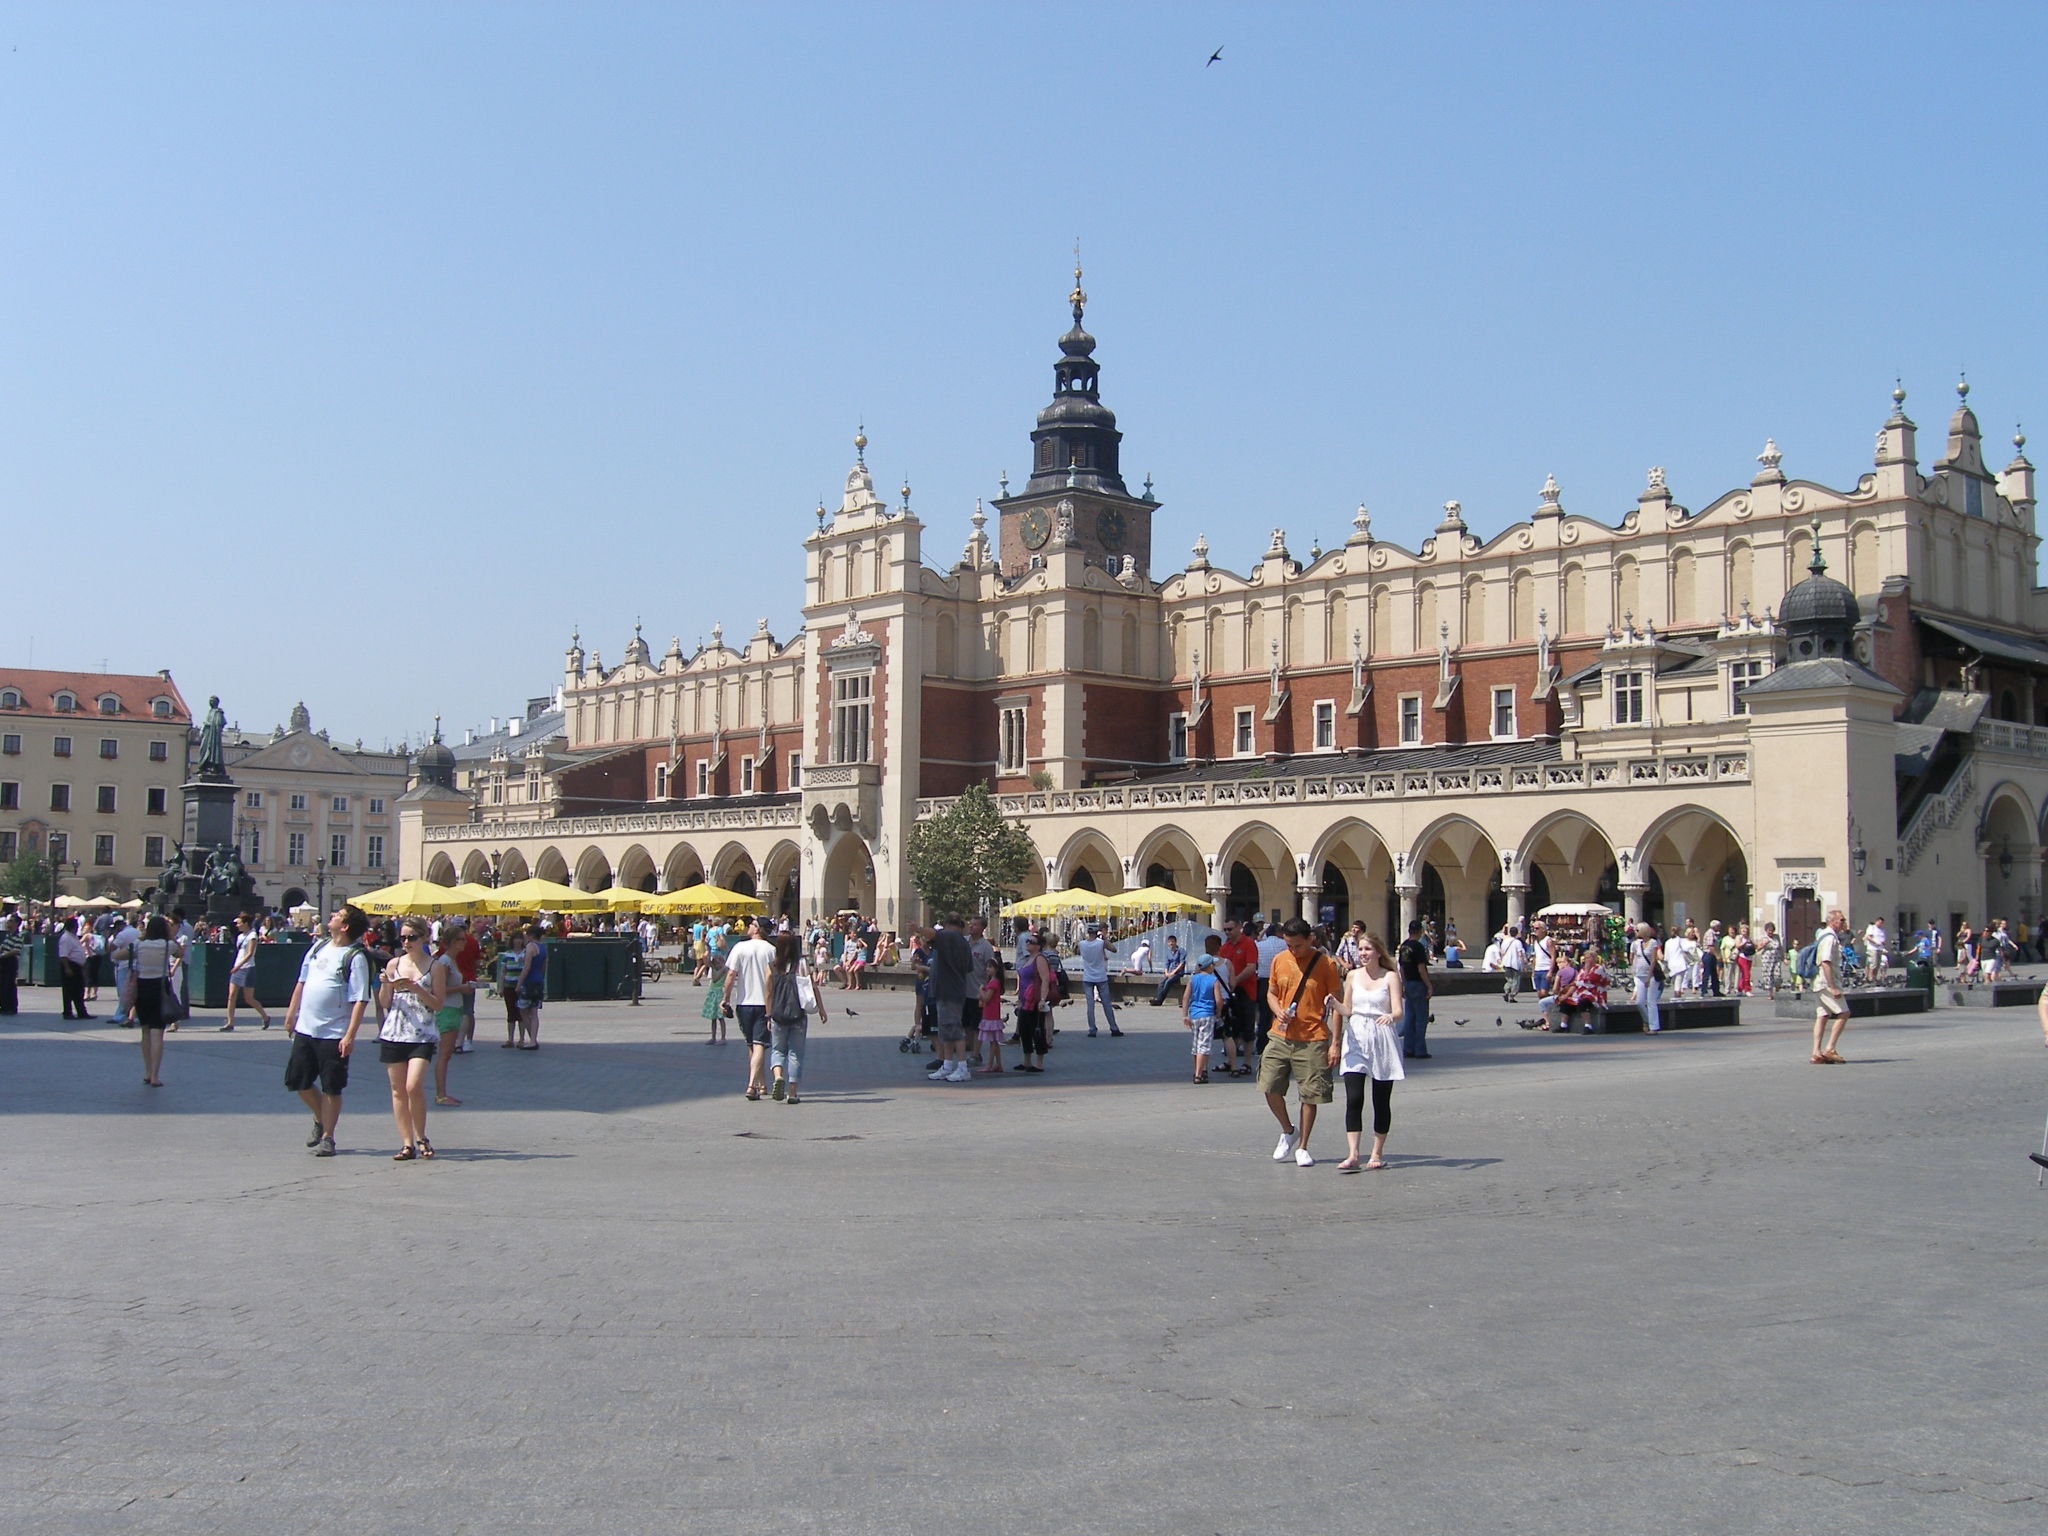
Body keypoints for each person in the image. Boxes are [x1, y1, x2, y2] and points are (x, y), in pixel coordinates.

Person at [283, 904, 376, 1158]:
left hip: (334, 1031)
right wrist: (292, 1013)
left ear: (345, 927)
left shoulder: (355, 957)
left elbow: (360, 998)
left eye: (338, 916)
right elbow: (302, 981)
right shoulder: (319, 946)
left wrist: (350, 1035)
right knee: (298, 1081)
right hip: (306, 1027)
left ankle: (328, 1137)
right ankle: (319, 1118)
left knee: (331, 1086)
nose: (332, 916)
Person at [1258, 919, 1341, 1168]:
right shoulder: (1280, 960)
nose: (1292, 950)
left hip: (1313, 1037)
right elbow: (1271, 993)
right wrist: (1278, 1009)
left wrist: (1335, 1043)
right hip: (1280, 1034)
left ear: (1310, 940)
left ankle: (1303, 1146)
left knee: (1310, 1094)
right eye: (1288, 945)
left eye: (1297, 945)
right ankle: (1288, 1129)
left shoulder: (1326, 965)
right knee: (1269, 1085)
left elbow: (1337, 1004)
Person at [378, 922, 448, 1160]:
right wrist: (386, 984)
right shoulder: (393, 964)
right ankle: (407, 1143)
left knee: (413, 1086)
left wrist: (417, 989)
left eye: (413, 937)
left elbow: (439, 1004)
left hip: (422, 1033)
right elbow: (385, 1003)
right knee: (398, 1090)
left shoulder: (435, 967)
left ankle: (421, 1136)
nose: (407, 942)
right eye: (403, 938)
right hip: (395, 1031)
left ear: (425, 938)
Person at [1335, 930, 1404, 1171]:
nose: (1363, 954)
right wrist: (1333, 1003)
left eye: (1367, 949)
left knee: (1380, 1099)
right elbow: (1347, 1009)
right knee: (1354, 1098)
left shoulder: (1390, 977)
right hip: (1356, 1036)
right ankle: (1353, 1154)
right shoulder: (1352, 976)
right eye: (1360, 949)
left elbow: (1398, 1011)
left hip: (1382, 1037)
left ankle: (1376, 1152)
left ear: (1377, 952)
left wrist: (1390, 1017)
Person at [766, 931, 825, 1103]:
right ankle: (792, 1093)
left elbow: (768, 993)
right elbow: (812, 987)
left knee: (777, 1050)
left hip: (777, 1015)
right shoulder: (801, 964)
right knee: (795, 1053)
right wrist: (821, 1009)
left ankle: (778, 1077)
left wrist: (768, 1015)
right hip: (798, 1014)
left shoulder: (772, 966)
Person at [724, 916, 778, 1099]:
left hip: (744, 1003)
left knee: (754, 1045)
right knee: (758, 1045)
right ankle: (757, 1084)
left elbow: (731, 974)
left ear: (757, 929)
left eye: (751, 925)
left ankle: (753, 1085)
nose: (748, 927)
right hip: (765, 1003)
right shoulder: (772, 950)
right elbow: (776, 978)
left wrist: (725, 999)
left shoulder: (740, 948)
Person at [127, 913, 181, 1087]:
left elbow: (120, 954)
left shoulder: (138, 944)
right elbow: (181, 951)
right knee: (157, 1032)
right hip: (160, 987)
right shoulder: (167, 945)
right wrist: (171, 935)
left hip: (142, 987)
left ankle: (147, 1071)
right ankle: (156, 1075)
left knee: (145, 1031)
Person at [925, 914, 977, 1084]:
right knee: (946, 1030)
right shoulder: (963, 942)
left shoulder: (951, 936)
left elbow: (933, 935)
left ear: (947, 925)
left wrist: (917, 929)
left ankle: (962, 1067)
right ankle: (947, 1065)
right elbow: (968, 968)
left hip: (949, 992)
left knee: (953, 1029)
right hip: (950, 991)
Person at [430, 923, 474, 1106]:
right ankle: (441, 1094)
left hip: (454, 1008)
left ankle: (442, 1092)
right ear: (453, 942)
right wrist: (461, 988)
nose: (465, 943)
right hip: (446, 1009)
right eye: (462, 939)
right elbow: (439, 988)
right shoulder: (445, 962)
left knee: (446, 1054)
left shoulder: (451, 960)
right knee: (444, 1054)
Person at [1812, 907, 1853, 1064]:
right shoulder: (1829, 938)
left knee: (1822, 1015)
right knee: (1844, 1013)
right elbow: (1826, 963)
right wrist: (1833, 987)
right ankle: (1830, 1048)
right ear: (1832, 921)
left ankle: (1816, 1052)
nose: (1844, 922)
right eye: (1842, 920)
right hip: (1826, 982)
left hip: (1818, 982)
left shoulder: (1823, 935)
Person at [1219, 918, 1260, 1072]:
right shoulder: (1225, 947)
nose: (1227, 932)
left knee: (1247, 1028)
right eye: (1225, 930)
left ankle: (1247, 1063)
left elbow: (1251, 967)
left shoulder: (1248, 944)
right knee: (1231, 1028)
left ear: (1239, 928)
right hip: (1230, 992)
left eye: (1230, 929)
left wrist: (1235, 979)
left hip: (1246, 991)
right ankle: (1231, 1062)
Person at [220, 912, 270, 1031]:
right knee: (231, 996)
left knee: (249, 998)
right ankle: (230, 1022)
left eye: (239, 923)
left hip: (247, 968)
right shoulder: (240, 936)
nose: (237, 926)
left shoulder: (252, 936)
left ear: (246, 923)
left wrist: (238, 966)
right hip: (237, 967)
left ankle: (265, 1016)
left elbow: (249, 954)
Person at [1182, 952, 1228, 1083]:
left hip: (1194, 1015)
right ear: (1209, 966)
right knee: (1204, 1046)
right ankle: (1199, 1074)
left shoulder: (1193, 979)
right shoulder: (1213, 980)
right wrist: (1218, 1012)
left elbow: (1185, 997)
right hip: (1207, 1014)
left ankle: (1197, 1070)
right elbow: (1219, 1000)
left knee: (1196, 1045)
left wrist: (1185, 1015)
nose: (1214, 966)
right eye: (1213, 964)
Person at [1013, 931, 1054, 1073]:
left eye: (1031, 942)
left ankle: (1039, 1063)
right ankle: (1026, 1061)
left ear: (1038, 946)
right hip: (1025, 1000)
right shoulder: (1028, 959)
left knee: (1037, 1030)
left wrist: (1042, 999)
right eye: (1027, 941)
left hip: (1036, 1001)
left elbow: (1045, 979)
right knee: (1024, 1030)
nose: (1027, 944)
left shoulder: (1040, 959)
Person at [1396, 919, 1433, 1060]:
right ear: (1420, 931)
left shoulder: (1404, 946)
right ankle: (1420, 1050)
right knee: (1421, 1018)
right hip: (1418, 983)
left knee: (1410, 1017)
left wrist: (1404, 984)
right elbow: (1421, 968)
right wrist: (1429, 985)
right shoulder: (1417, 947)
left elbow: (1402, 968)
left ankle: (1408, 1048)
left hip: (1409, 983)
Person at [1077, 925, 1122, 1037]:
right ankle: (1113, 1028)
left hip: (1087, 977)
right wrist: (1104, 939)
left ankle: (1092, 1029)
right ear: (1097, 932)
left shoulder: (1082, 944)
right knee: (1106, 1003)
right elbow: (1114, 949)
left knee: (1090, 1005)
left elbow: (1077, 952)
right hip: (1101, 977)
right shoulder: (1101, 943)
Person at [1253, 920, 1288, 1053]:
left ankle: (1261, 1046)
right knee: (1281, 1013)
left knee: (1264, 1016)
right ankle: (1281, 1043)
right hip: (1281, 982)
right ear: (1279, 933)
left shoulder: (1259, 945)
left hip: (1263, 982)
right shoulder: (1285, 944)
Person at [511, 924, 547, 1048]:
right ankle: (533, 1039)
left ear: (530, 935)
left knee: (523, 1011)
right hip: (539, 981)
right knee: (534, 1012)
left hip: (529, 982)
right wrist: (541, 978)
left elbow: (526, 968)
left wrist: (519, 984)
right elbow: (544, 967)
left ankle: (532, 1038)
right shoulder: (543, 948)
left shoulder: (530, 947)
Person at [1630, 921, 1666, 1034]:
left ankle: (1654, 1027)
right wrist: (1634, 970)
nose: (1635, 932)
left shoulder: (1653, 943)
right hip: (1639, 974)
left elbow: (1654, 960)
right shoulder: (1635, 944)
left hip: (1651, 975)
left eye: (1637, 930)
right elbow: (1632, 957)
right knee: (1639, 1002)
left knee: (1651, 1001)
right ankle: (1648, 1020)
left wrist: (1649, 976)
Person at [976, 949, 1007, 1073]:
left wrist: (980, 991)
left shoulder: (993, 983)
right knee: (994, 1041)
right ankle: (999, 1064)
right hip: (992, 1014)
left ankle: (989, 1065)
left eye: (990, 967)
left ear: (996, 969)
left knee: (992, 1042)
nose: (987, 969)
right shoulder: (994, 982)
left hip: (991, 1015)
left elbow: (987, 998)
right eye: (987, 967)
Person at [57, 917, 90, 1020]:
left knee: (79, 990)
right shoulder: (66, 938)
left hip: (77, 966)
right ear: (72, 927)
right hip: (70, 965)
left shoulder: (73, 937)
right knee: (68, 990)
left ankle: (81, 1012)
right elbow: (63, 955)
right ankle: (67, 1012)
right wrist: (67, 968)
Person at [1149, 934, 1188, 1006]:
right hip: (1170, 972)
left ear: (1176, 942)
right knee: (1161, 983)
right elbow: (1166, 964)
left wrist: (1173, 972)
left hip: (1178, 973)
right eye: (1169, 942)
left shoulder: (1181, 951)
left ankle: (1160, 1000)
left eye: (1172, 942)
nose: (1171, 944)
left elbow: (1182, 963)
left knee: (1168, 982)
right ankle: (1158, 998)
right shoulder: (1168, 953)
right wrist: (1166, 972)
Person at [1755, 922, 1785, 997]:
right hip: (1767, 960)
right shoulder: (1763, 938)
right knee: (1768, 976)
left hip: (1776, 959)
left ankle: (1777, 986)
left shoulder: (1776, 937)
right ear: (1766, 930)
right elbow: (1758, 948)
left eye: (1772, 930)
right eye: (1769, 930)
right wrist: (1764, 944)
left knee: (1778, 975)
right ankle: (1770, 993)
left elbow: (1780, 947)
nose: (1770, 932)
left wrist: (1783, 958)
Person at [1498, 926, 1527, 1002]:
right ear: (1517, 933)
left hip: (1506, 963)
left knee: (1509, 979)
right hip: (1515, 964)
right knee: (1516, 980)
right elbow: (1520, 953)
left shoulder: (1505, 941)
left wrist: (1501, 960)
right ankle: (1512, 996)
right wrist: (1523, 964)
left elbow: (1502, 952)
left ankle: (1506, 991)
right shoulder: (1518, 942)